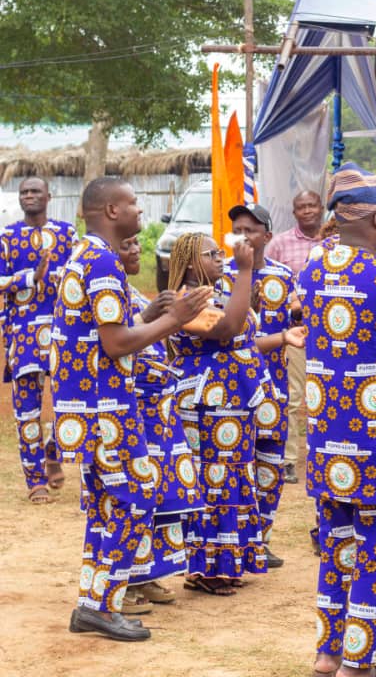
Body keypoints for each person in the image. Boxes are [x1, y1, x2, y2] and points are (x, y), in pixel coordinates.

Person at [54, 177, 208, 641]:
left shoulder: (85, 256)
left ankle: (93, 603)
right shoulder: (101, 259)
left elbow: (108, 327)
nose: (141, 212)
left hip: (94, 404)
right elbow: (116, 342)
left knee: (108, 505)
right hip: (106, 407)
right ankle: (101, 605)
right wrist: (173, 320)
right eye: (134, 204)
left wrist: (149, 315)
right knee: (137, 495)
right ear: (112, 211)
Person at [298, 163, 376, 677]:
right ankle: (359, 664)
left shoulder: (311, 266)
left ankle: (329, 654)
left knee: (337, 549)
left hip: (328, 441)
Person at [168, 231, 271, 595]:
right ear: (191, 261)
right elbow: (228, 329)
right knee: (212, 481)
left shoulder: (219, 289)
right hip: (206, 402)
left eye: (219, 252)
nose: (220, 258)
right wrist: (245, 271)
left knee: (233, 476)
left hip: (234, 400)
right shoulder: (185, 299)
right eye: (212, 254)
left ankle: (229, 560)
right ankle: (206, 568)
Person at [119, 236, 203, 612]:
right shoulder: (106, 296)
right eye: (127, 244)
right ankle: (125, 582)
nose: (137, 249)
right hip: (134, 413)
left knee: (163, 499)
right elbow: (112, 343)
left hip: (161, 415)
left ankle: (147, 574)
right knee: (136, 501)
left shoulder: (132, 294)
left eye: (139, 244)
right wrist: (155, 317)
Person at [223, 203, 305, 569]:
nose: (242, 236)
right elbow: (227, 339)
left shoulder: (285, 277)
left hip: (274, 387)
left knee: (270, 468)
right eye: (237, 229)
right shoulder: (219, 277)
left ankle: (261, 540)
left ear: (267, 237)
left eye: (250, 230)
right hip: (232, 390)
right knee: (237, 465)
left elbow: (298, 325)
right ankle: (236, 541)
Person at [1, 176, 77, 504]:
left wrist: (57, 274)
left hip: (64, 331)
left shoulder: (66, 233)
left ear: (49, 195)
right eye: (24, 192)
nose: (29, 196)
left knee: (70, 399)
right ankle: (35, 481)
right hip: (24, 333)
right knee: (27, 409)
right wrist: (31, 276)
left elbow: (79, 274)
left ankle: (54, 447)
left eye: (35, 191)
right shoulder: (7, 237)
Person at [266, 188, 325, 485]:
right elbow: (265, 283)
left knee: (331, 396)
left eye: (311, 205)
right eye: (301, 207)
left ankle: (328, 455)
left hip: (335, 331)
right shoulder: (279, 244)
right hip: (298, 331)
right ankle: (289, 460)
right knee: (294, 397)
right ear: (294, 212)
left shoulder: (335, 243)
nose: (307, 211)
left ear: (321, 207)